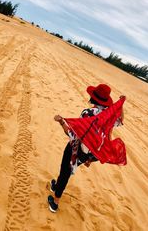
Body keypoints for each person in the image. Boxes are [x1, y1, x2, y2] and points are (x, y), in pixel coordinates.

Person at [48, 83, 124, 213]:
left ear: (94, 98)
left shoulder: (88, 113)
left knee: (65, 170)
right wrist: (121, 105)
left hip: (76, 149)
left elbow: (72, 134)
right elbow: (120, 121)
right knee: (67, 168)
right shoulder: (109, 116)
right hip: (91, 153)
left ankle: (55, 202)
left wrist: (61, 121)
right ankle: (56, 186)